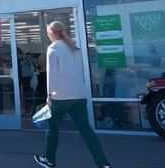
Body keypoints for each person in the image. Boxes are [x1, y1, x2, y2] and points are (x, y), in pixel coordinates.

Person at [33, 21, 112, 168]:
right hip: (79, 95)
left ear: (52, 34)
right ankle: (103, 163)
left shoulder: (53, 49)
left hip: (61, 96)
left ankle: (49, 160)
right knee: (86, 129)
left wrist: (49, 94)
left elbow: (52, 75)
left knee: (52, 128)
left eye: (48, 33)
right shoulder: (75, 49)